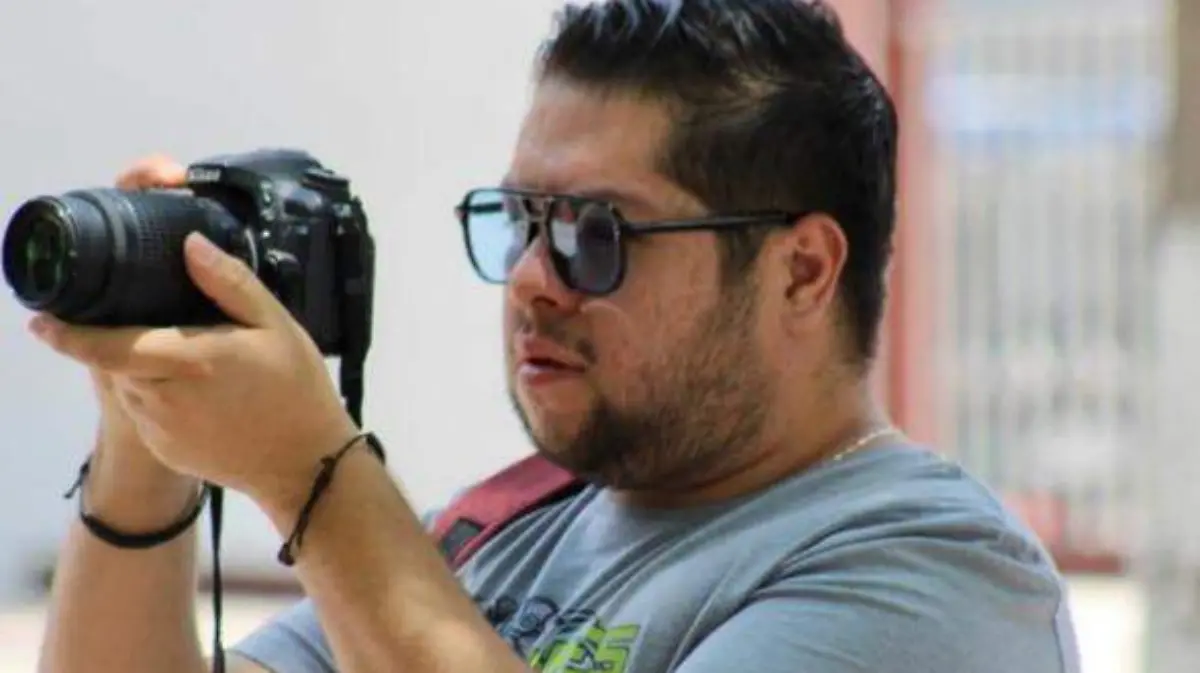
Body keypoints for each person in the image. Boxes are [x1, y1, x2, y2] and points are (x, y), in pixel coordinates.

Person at [30, 1, 1081, 671]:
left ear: (801, 269)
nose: (534, 277)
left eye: (595, 233)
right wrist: (144, 429)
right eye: (522, 220)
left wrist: (313, 478)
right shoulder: (501, 528)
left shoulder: (936, 576)